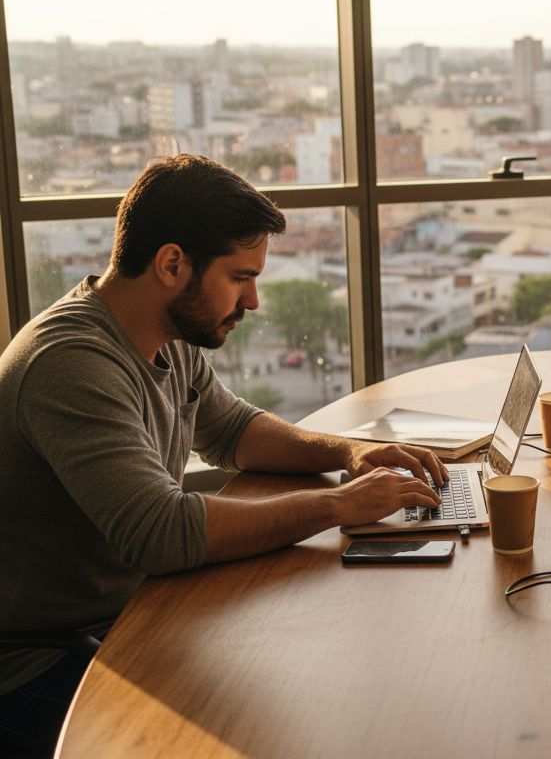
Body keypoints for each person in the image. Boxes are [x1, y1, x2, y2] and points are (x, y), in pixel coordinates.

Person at [0, 155, 447, 756]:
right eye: (240, 278)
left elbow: (234, 430)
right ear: (171, 264)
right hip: (44, 662)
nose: (254, 301)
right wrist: (339, 505)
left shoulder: (163, 332)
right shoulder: (71, 364)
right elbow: (159, 532)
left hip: (130, 616)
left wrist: (351, 452)